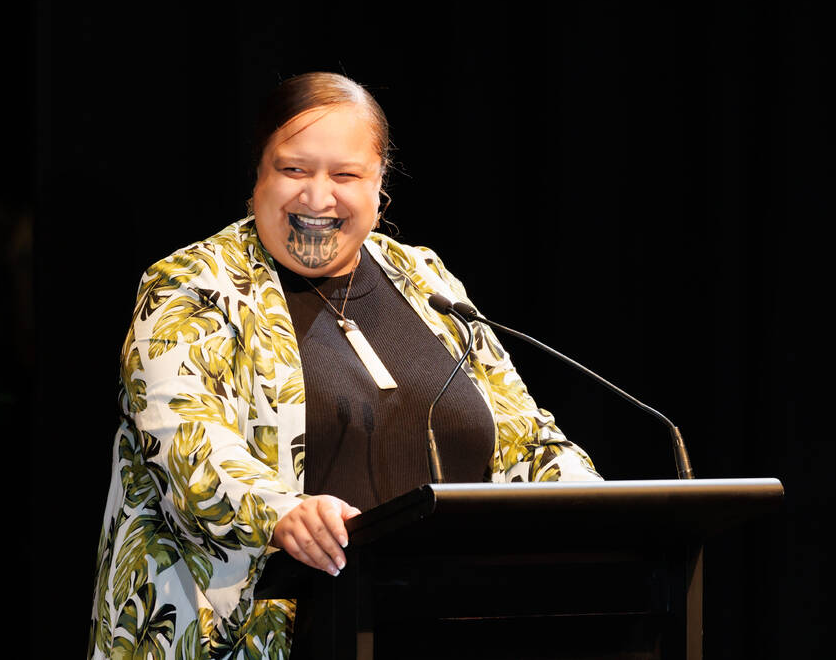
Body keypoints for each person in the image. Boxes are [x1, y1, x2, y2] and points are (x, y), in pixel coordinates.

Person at [88, 72, 601, 660]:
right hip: (253, 636)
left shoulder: (425, 279)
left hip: (444, 627)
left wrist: (593, 505)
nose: (317, 197)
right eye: (294, 170)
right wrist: (284, 514)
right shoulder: (192, 285)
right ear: (257, 176)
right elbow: (186, 443)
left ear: (380, 189)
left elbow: (523, 438)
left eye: (346, 175)